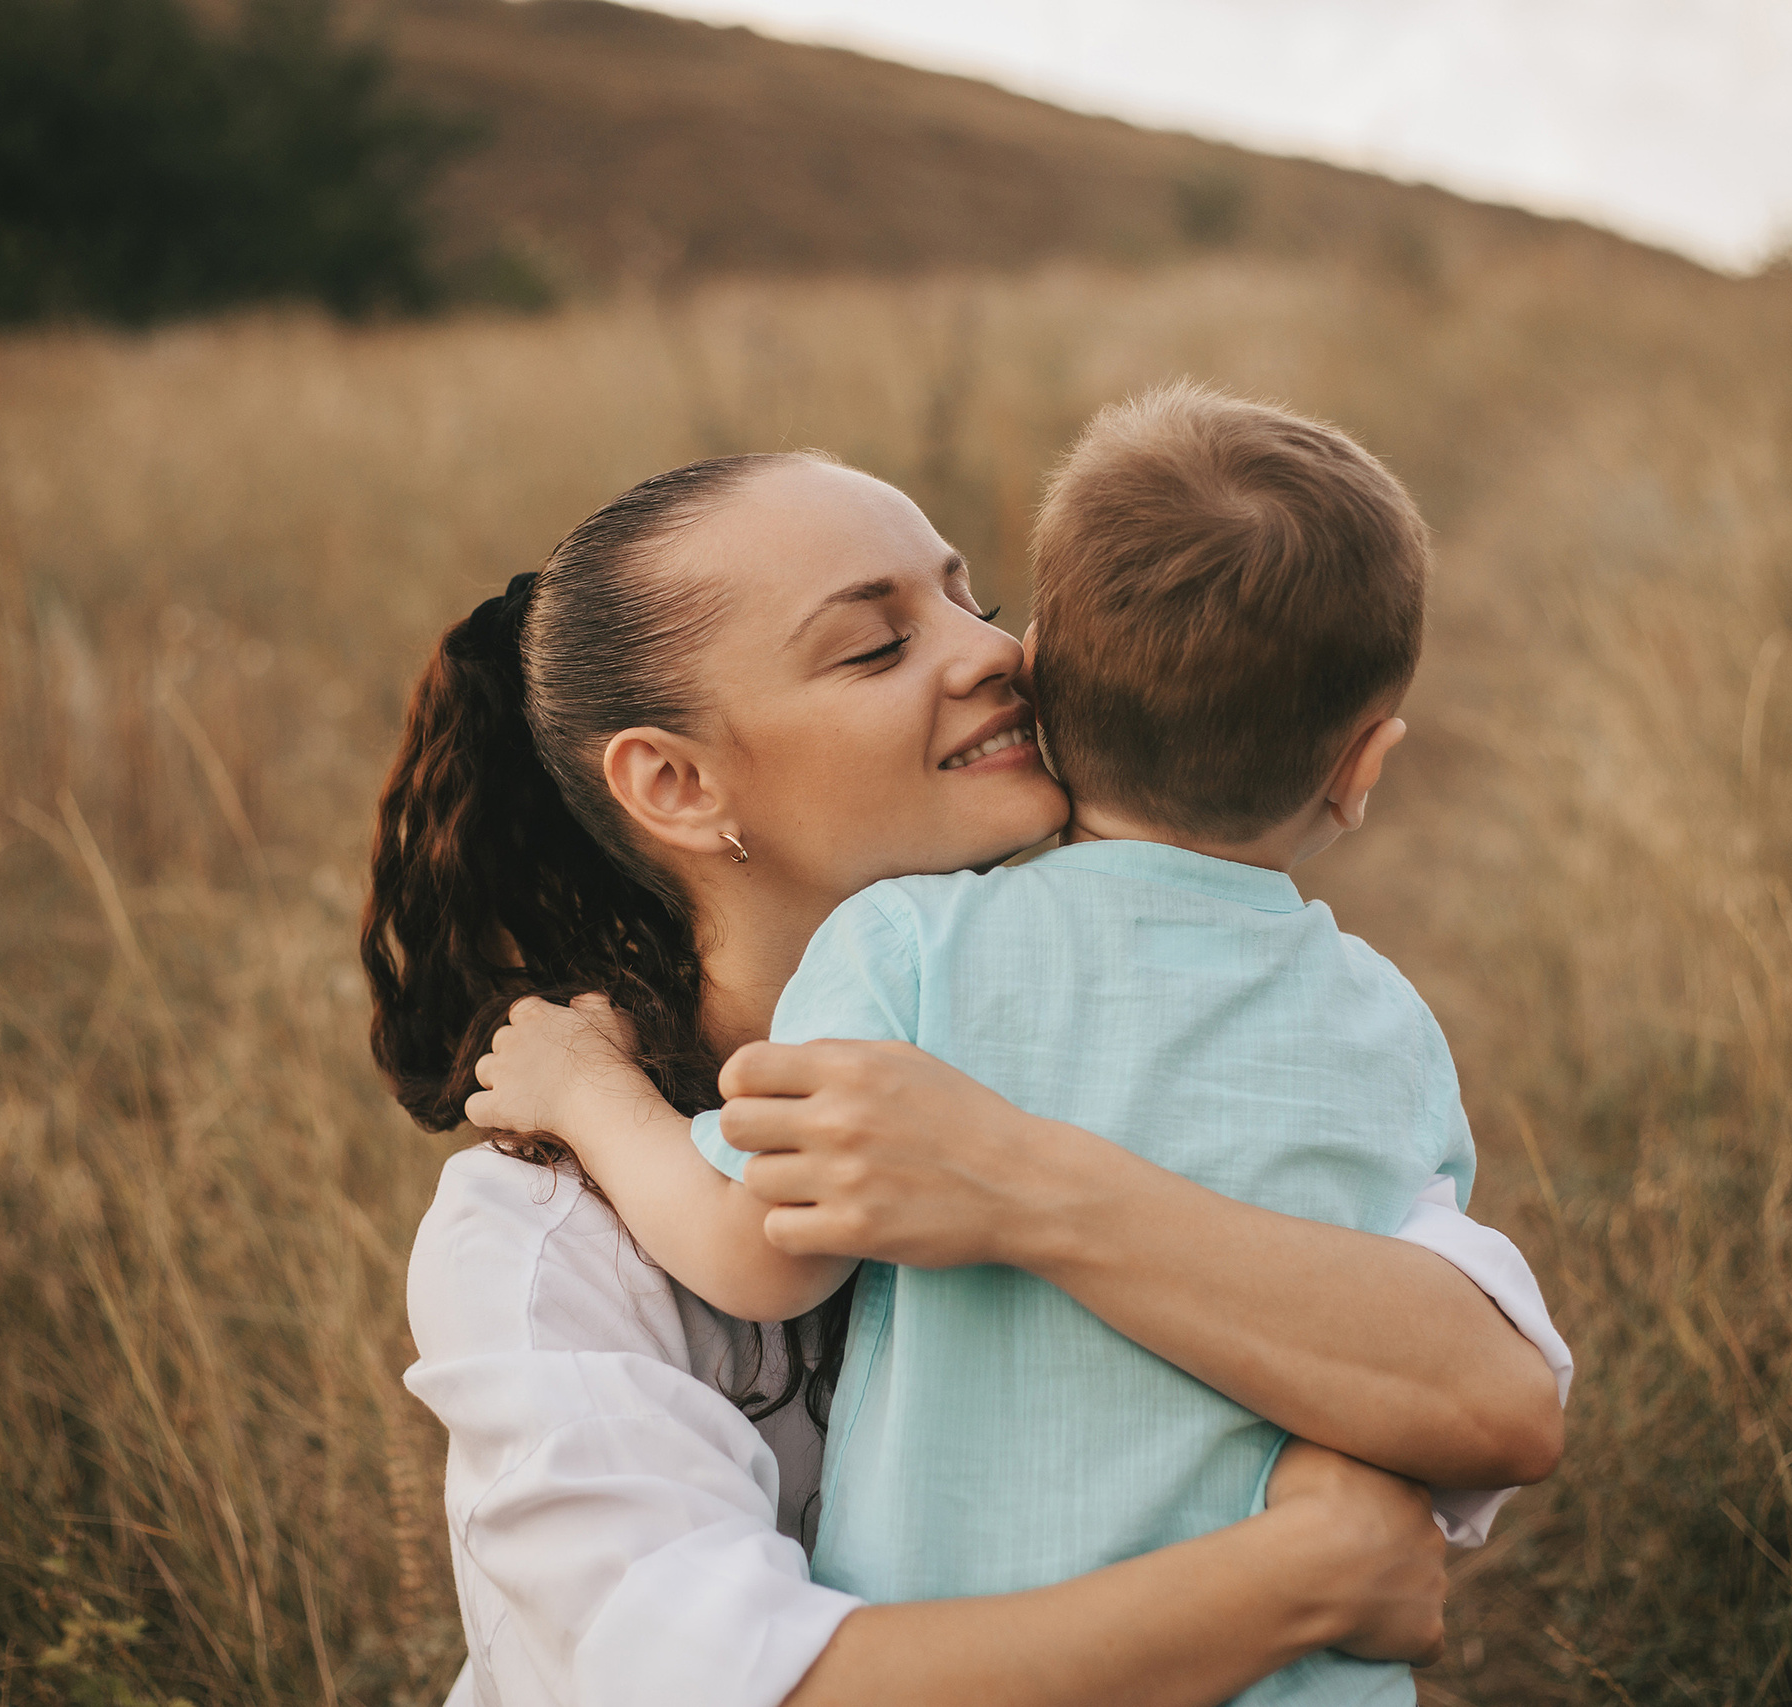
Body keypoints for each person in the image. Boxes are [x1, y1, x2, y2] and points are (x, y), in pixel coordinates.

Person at [369, 447, 1572, 1707]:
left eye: (973, 600)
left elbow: (1497, 1402)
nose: (995, 654)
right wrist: (1305, 1579)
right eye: (876, 647)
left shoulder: (1142, 1031)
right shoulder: (548, 1243)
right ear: (677, 783)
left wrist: (1016, 1179)